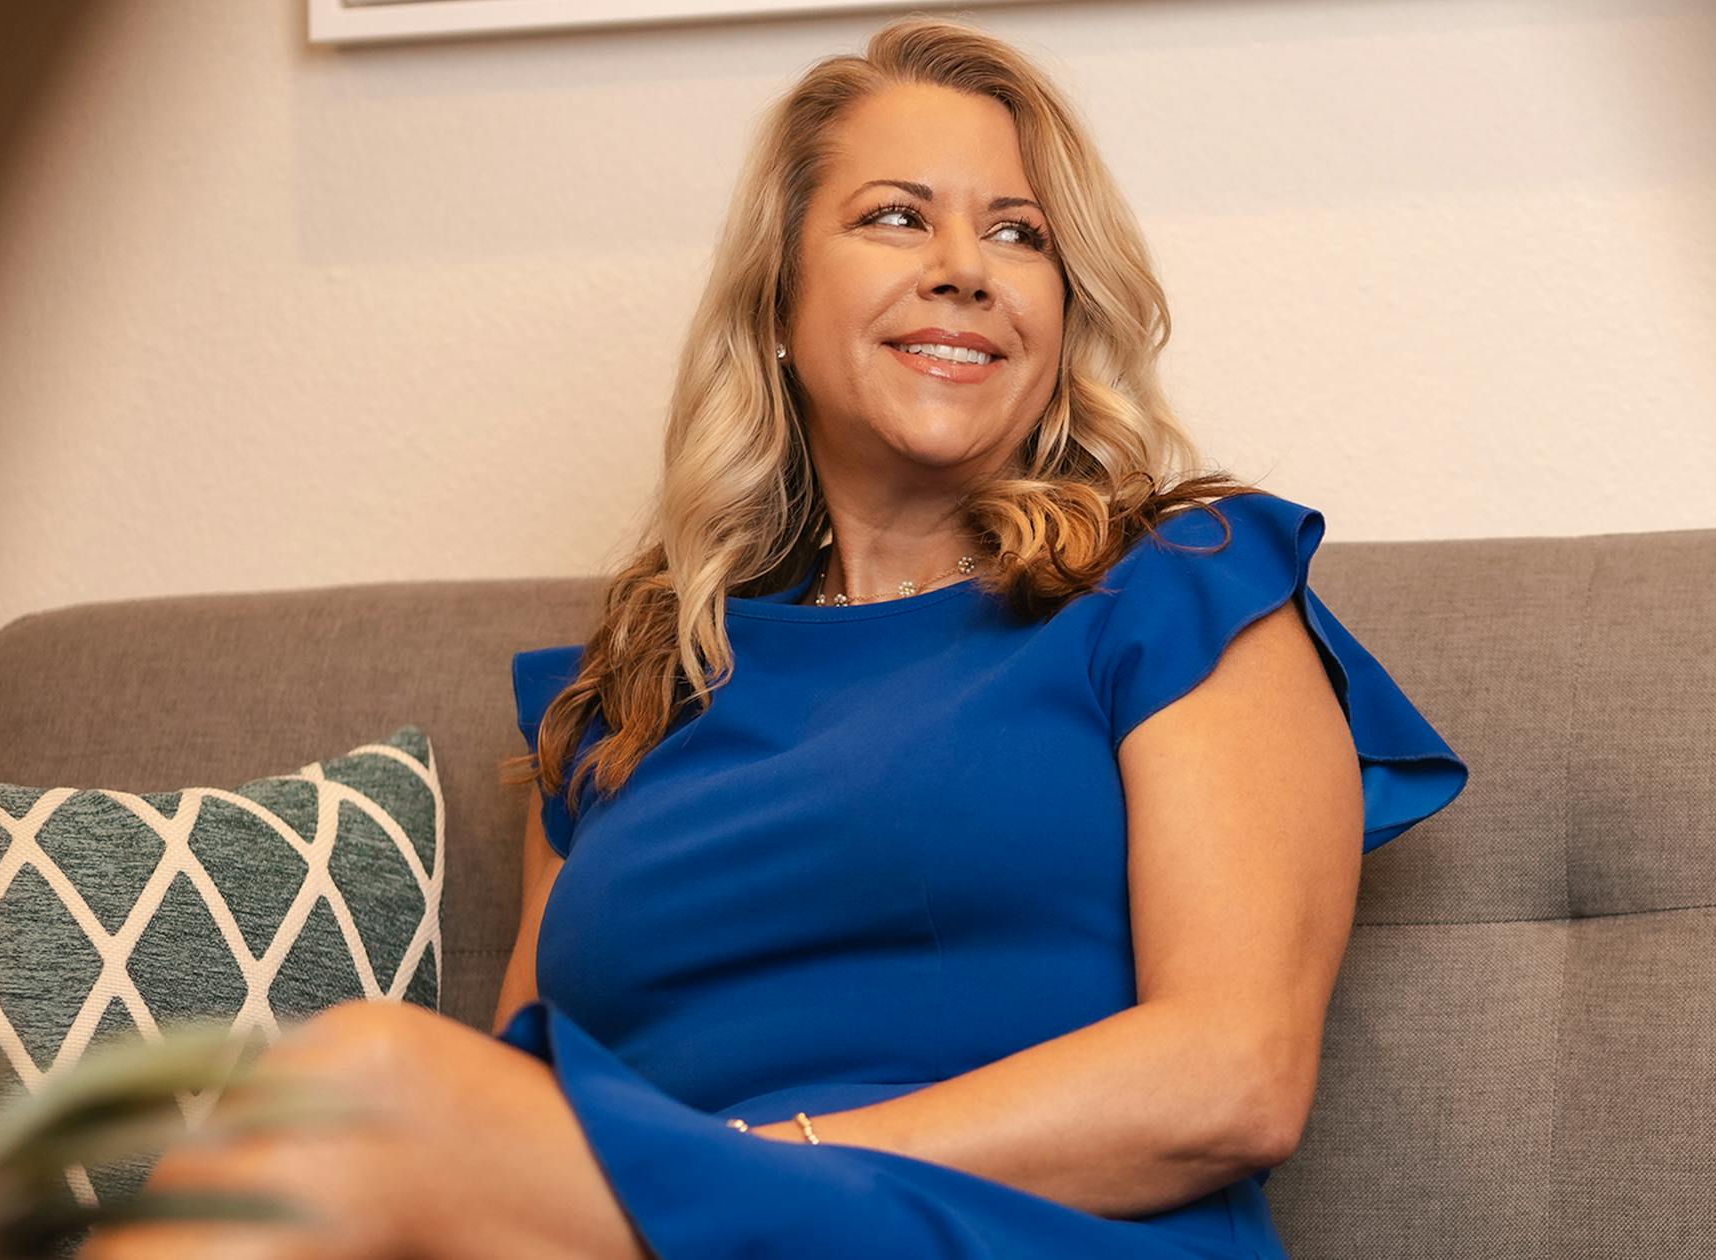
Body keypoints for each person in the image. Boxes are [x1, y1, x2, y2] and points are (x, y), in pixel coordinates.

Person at [81, 15, 1468, 1260]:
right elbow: (517, 1115)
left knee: (362, 1081)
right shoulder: (624, 696)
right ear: (781, 309)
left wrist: (756, 1176)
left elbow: (1235, 1078)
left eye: (1019, 233)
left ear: (1061, 313)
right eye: (893, 218)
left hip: (1009, 1232)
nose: (964, 271)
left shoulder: (1183, 587)